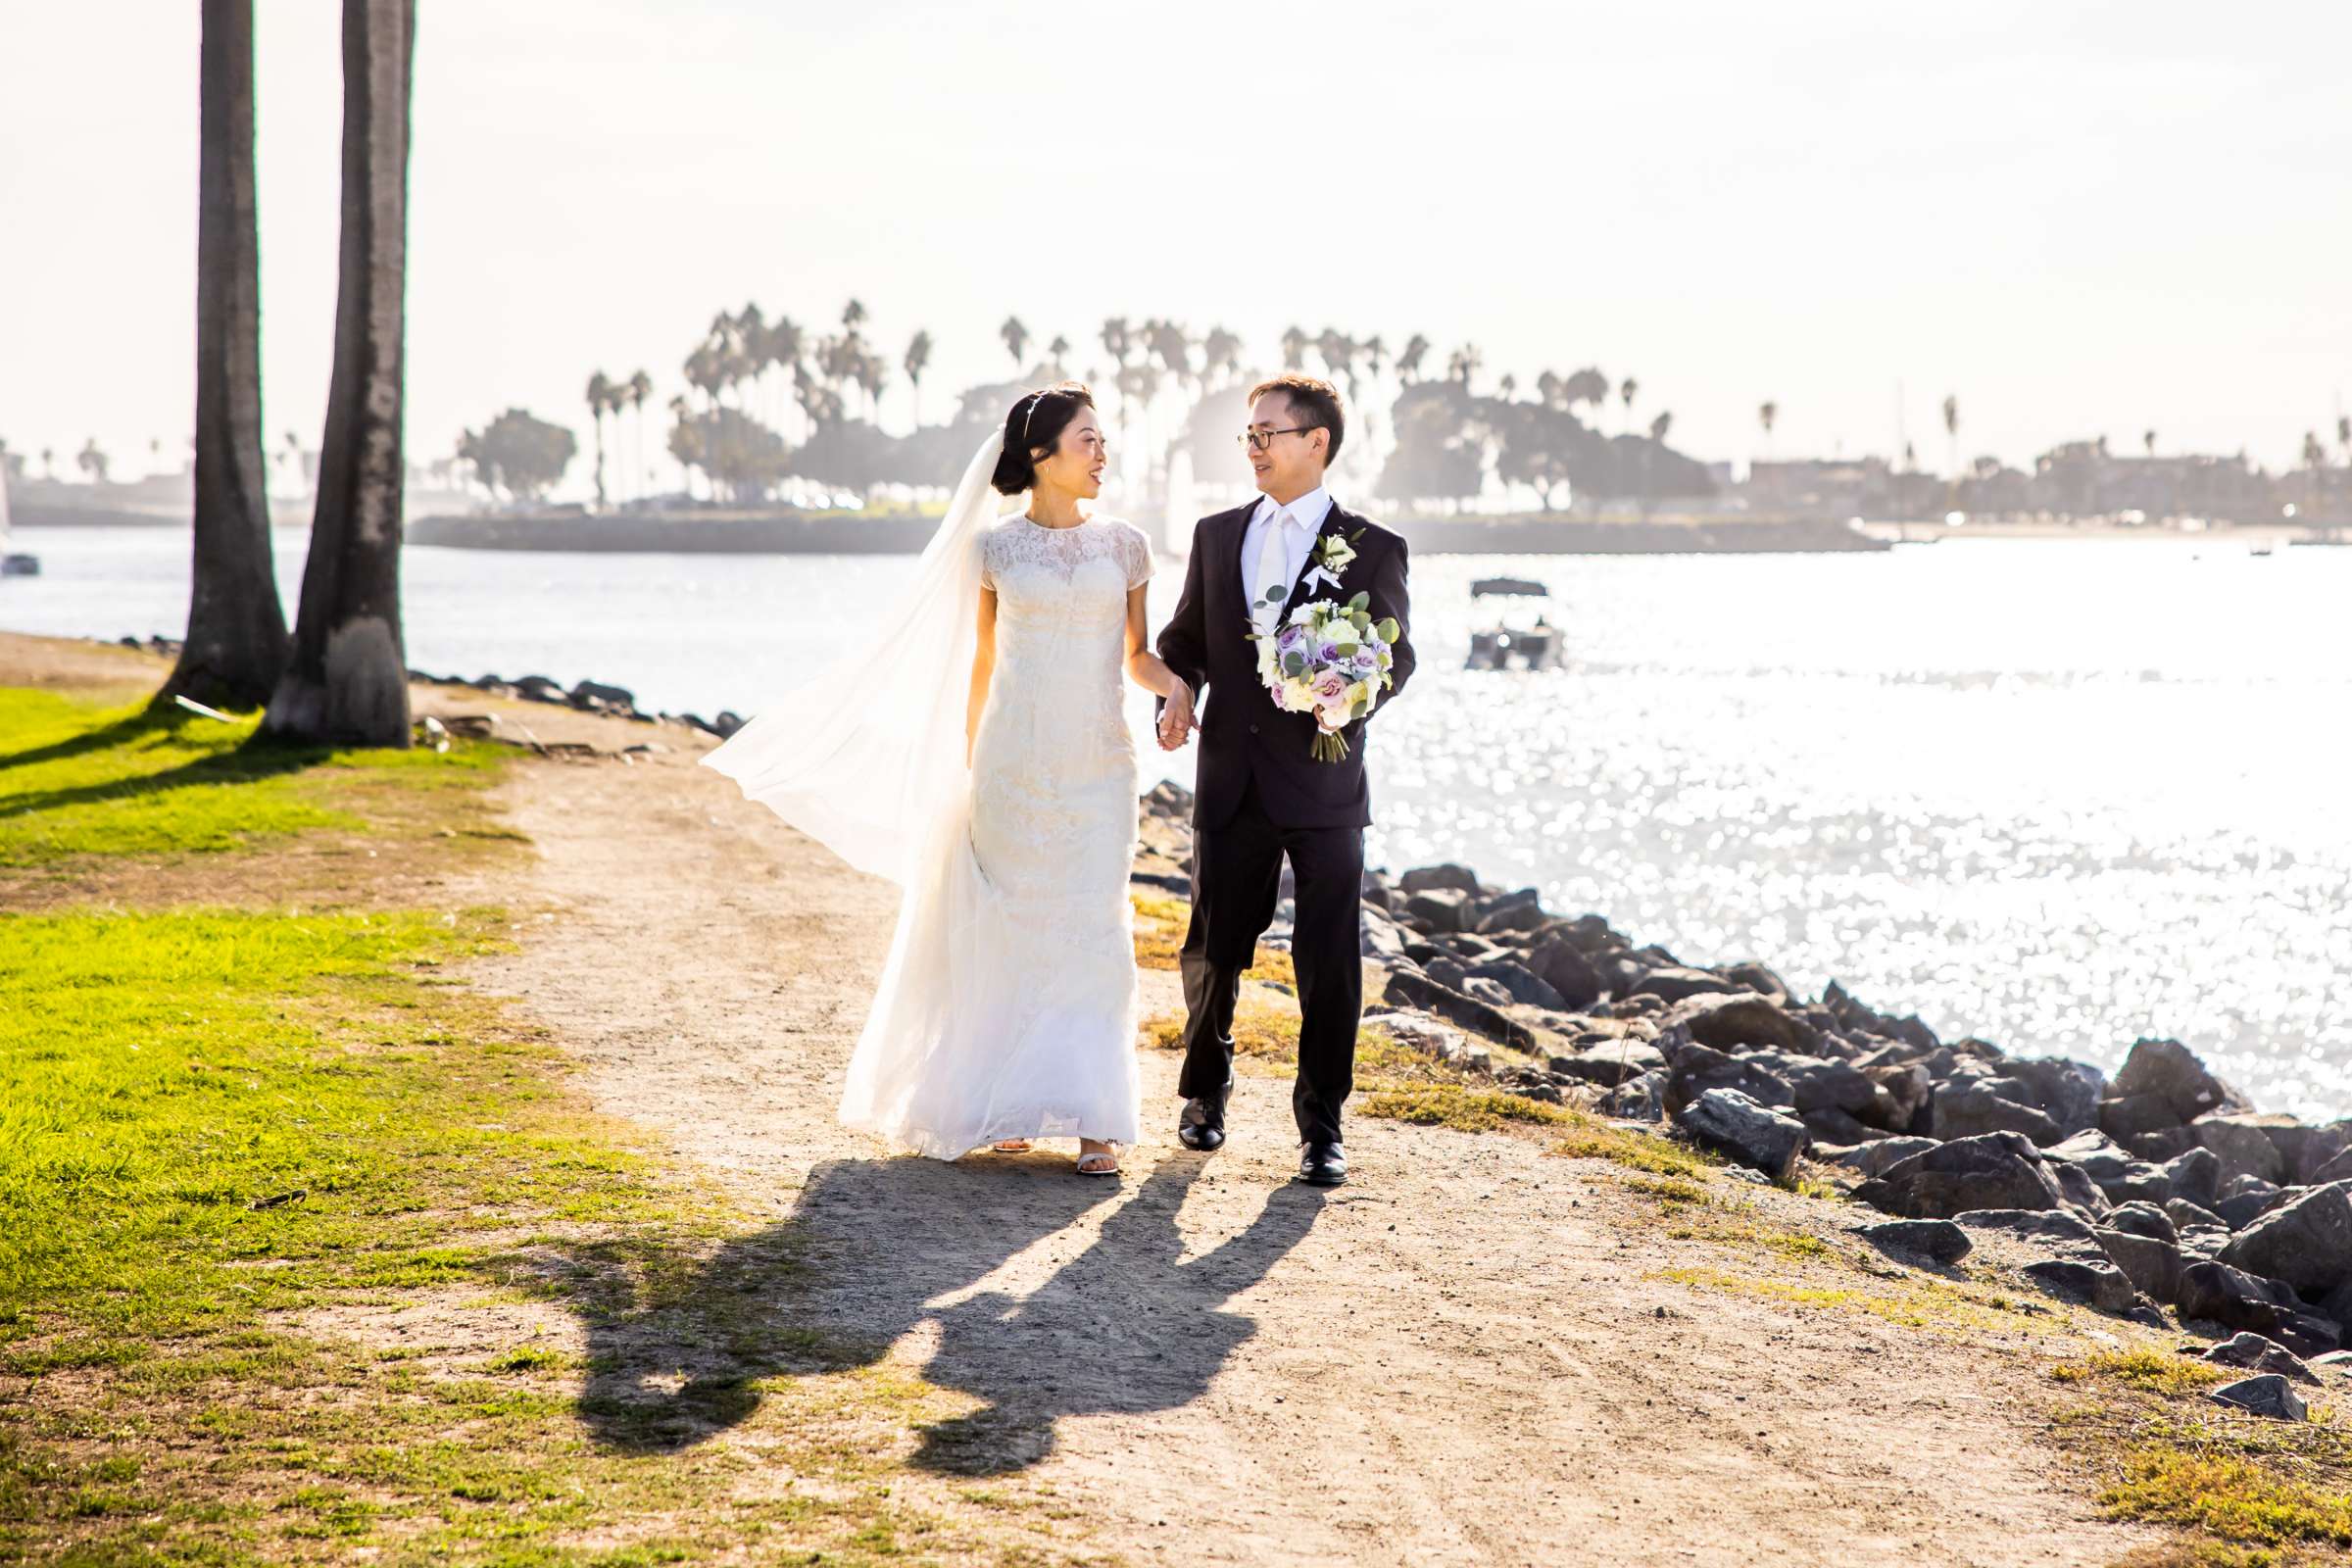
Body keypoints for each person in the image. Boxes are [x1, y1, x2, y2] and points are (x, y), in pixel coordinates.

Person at [701, 383, 1191, 1177]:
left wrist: (1173, 687)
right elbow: (981, 664)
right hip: (1011, 766)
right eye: (1088, 440)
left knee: (1096, 933)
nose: (1104, 453)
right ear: (1041, 456)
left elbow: (1135, 656)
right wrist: (967, 762)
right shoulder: (993, 551)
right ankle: (1006, 1101)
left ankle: (1098, 1122)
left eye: (1104, 440)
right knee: (1006, 932)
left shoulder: (1127, 546)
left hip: (1099, 767)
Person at [1153, 373, 1416, 1187]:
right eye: (1249, 434)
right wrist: (1175, 690)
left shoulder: (1373, 547)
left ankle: (1322, 1126)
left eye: (1269, 433)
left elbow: (1395, 657)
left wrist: (1345, 697)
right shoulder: (1215, 535)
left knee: (1329, 960)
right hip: (1230, 773)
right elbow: (1185, 638)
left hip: (1327, 784)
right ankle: (1204, 1095)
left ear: (1317, 444)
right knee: (1213, 949)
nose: (1254, 447)